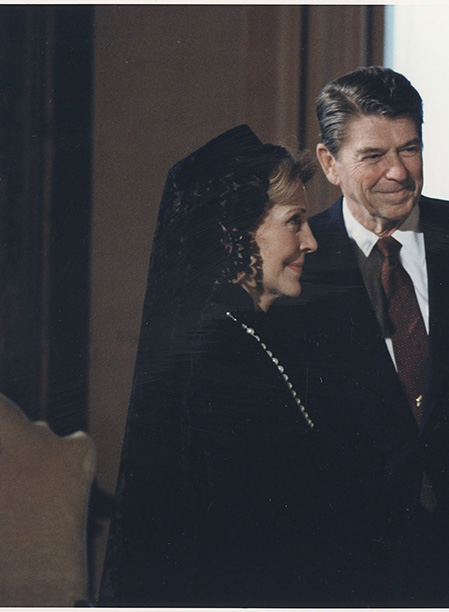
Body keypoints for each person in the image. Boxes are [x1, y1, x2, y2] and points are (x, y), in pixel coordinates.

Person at [270, 66, 449, 606]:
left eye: (410, 149)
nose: (397, 172)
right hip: (346, 569)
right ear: (330, 163)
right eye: (373, 155)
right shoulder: (298, 263)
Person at [99, 125, 332, 605]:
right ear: (234, 233)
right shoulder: (212, 355)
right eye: (294, 222)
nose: (311, 241)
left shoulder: (253, 335)